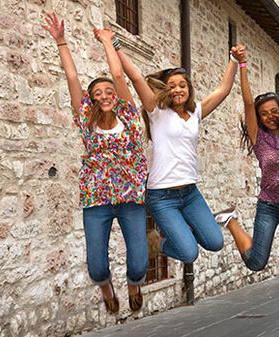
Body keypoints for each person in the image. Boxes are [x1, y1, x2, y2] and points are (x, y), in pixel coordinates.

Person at [102, 28, 240, 264]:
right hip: (162, 196)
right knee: (189, 254)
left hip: (190, 193)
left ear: (188, 90)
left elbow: (223, 90)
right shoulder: (157, 112)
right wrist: (116, 46)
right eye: (172, 85)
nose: (178, 89)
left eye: (182, 85)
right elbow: (135, 78)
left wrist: (234, 59)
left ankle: (181, 230)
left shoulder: (196, 112)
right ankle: (155, 243)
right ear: (167, 90)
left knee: (215, 243)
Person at [42, 14, 148, 314]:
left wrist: (106, 43)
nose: (104, 95)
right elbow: (72, 78)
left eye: (108, 92)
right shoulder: (85, 120)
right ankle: (106, 287)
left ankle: (133, 283)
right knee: (97, 265)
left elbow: (118, 75)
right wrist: (62, 41)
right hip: (96, 199)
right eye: (97, 93)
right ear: (91, 100)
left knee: (139, 264)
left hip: (130, 198)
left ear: (116, 97)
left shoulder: (128, 116)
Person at [214, 47, 279, 272]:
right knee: (256, 262)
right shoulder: (258, 137)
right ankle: (230, 220)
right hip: (269, 204)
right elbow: (247, 102)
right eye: (264, 113)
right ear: (259, 118)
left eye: (274, 111)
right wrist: (242, 65)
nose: (270, 116)